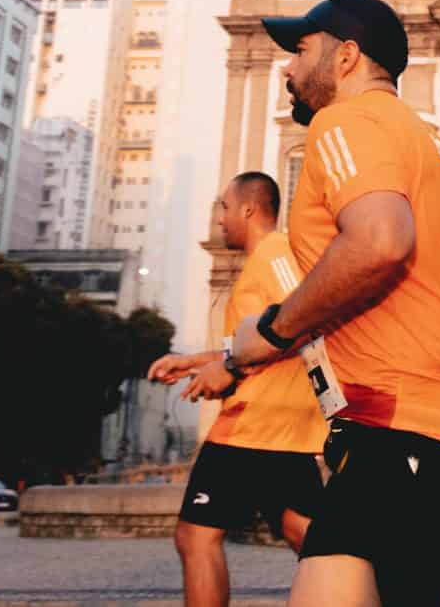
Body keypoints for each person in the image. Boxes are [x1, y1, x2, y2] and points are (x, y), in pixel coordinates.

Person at [231, 0, 440, 607]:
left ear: (346, 57)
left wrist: (275, 330)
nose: (287, 67)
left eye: (299, 51)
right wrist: (418, 325)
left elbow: (381, 240)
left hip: (401, 424)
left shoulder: (345, 121)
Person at [146, 172, 326, 607]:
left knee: (196, 536)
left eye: (224, 208)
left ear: (248, 209)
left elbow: (304, 318)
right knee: (304, 532)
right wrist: (195, 361)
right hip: (279, 425)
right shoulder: (261, 263)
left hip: (256, 422)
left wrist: (230, 368)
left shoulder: (276, 252)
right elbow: (259, 340)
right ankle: (375, 587)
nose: (219, 219)